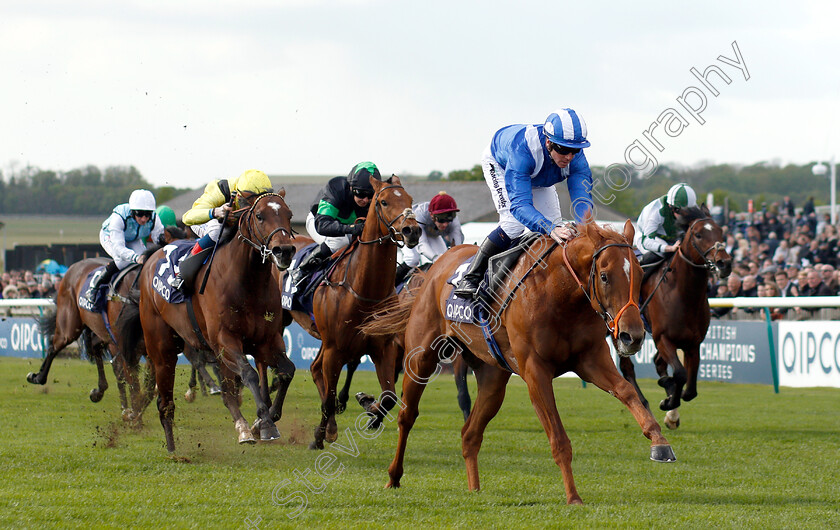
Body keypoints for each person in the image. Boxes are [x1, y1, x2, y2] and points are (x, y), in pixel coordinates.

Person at [454, 109, 594, 298]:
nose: (569, 156)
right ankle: (471, 276)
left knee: (557, 231)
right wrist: (548, 226)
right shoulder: (523, 151)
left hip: (539, 172)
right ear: (548, 142)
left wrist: (584, 227)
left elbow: (582, 199)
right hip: (502, 165)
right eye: (563, 149)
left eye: (575, 150)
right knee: (513, 224)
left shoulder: (576, 159)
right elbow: (520, 205)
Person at [170, 169, 274, 291]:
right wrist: (216, 212)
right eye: (247, 202)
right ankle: (183, 273)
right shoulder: (220, 191)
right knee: (218, 231)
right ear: (239, 195)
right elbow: (187, 217)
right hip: (210, 220)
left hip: (235, 223)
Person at [291, 162, 380, 284]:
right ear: (351, 187)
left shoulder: (375, 200)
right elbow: (323, 226)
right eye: (361, 194)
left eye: (370, 195)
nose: (365, 200)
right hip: (318, 223)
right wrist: (351, 228)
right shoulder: (335, 188)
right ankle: (303, 269)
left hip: (347, 229)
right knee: (340, 241)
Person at [85, 189, 164, 302]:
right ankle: (94, 287)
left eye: (147, 214)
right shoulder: (119, 217)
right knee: (123, 261)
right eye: (140, 214)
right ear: (132, 212)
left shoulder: (154, 218)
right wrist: (136, 258)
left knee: (147, 261)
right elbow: (119, 248)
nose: (144, 219)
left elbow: (159, 238)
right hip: (110, 236)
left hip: (133, 238)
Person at [397, 191, 464, 284]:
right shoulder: (420, 214)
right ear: (432, 215)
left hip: (431, 234)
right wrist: (435, 257)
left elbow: (457, 246)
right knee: (412, 259)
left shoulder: (454, 221)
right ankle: (391, 285)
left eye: (449, 219)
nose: (445, 224)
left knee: (445, 259)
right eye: (441, 219)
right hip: (410, 233)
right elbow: (422, 244)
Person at [633, 183, 698, 266]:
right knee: (660, 254)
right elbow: (646, 242)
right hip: (646, 238)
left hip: (674, 239)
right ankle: (640, 274)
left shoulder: (692, 206)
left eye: (687, 211)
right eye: (680, 211)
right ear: (671, 206)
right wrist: (669, 248)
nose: (684, 215)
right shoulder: (656, 212)